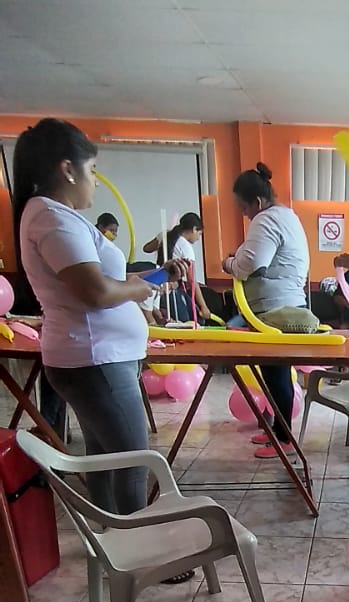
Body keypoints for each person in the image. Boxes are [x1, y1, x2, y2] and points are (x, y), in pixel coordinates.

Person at [13, 117, 188, 524]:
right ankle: (139, 546)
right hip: (94, 360)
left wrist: (155, 276)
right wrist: (139, 291)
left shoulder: (55, 216)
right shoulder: (52, 219)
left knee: (106, 458)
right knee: (134, 461)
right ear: (67, 169)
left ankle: (113, 538)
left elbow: (108, 282)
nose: (95, 180)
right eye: (92, 170)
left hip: (93, 359)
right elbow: (95, 292)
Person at [222, 162, 310, 459]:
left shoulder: (266, 219)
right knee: (274, 376)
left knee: (277, 376)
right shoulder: (286, 216)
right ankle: (277, 430)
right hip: (283, 306)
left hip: (276, 310)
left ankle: (284, 440)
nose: (244, 214)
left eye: (244, 208)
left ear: (257, 202)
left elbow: (252, 263)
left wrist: (229, 264)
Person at [146, 211, 211, 324]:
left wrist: (164, 240)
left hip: (157, 287)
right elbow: (192, 280)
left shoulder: (164, 235)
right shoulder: (186, 247)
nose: (198, 238)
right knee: (187, 324)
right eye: (199, 234)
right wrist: (204, 307)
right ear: (194, 229)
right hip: (171, 291)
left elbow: (146, 248)